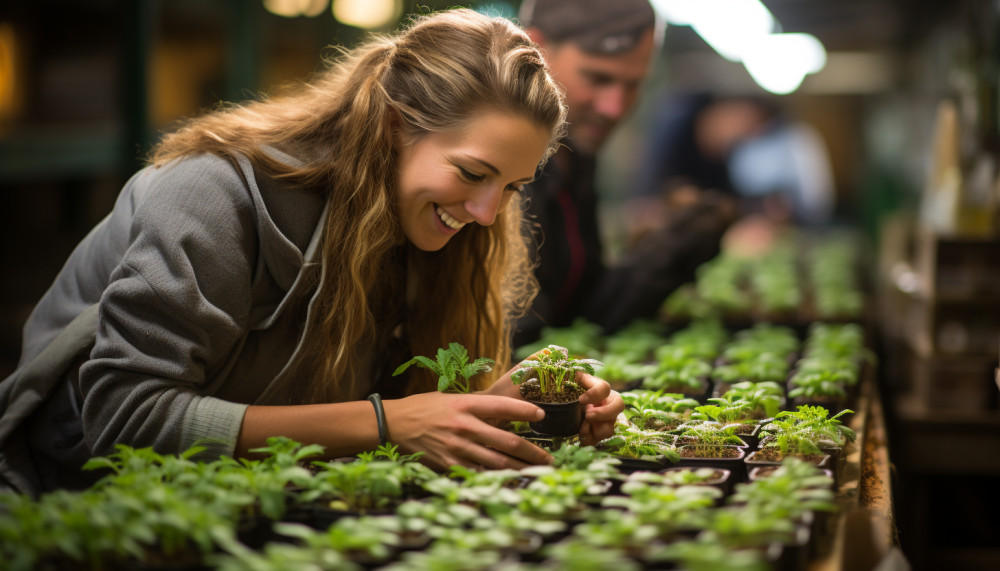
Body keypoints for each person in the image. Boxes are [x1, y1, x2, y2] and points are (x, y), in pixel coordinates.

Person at [0, 9, 623, 496]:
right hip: (82, 503)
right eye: (470, 172)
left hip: (250, 502)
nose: (487, 214)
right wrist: (390, 424)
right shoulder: (214, 194)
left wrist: (504, 405)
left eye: (510, 188)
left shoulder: (415, 222)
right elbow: (124, 418)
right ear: (393, 125)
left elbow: (377, 410)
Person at [513, 0, 732, 346]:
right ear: (535, 47)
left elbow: (581, 312)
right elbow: (517, 339)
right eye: (598, 77)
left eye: (633, 85)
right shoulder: (508, 168)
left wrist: (677, 242)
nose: (614, 107)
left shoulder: (575, 156)